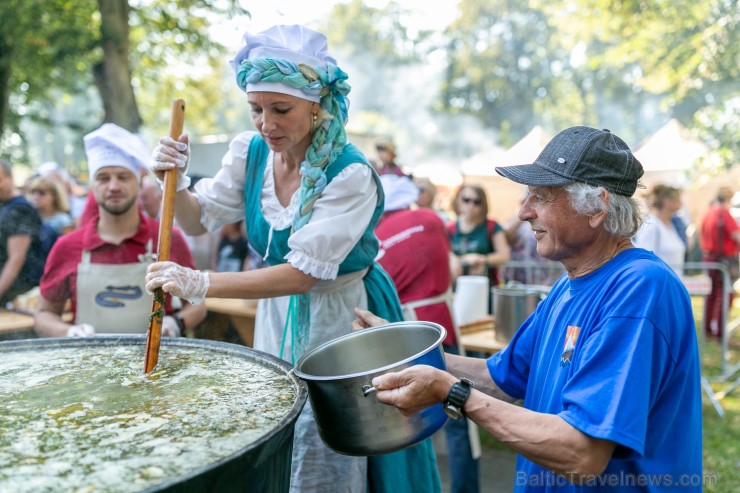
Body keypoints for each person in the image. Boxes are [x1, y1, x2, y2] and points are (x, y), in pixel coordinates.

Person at [145, 24, 440, 493]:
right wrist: (175, 181)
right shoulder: (252, 152)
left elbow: (303, 275)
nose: (266, 123)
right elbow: (197, 219)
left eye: (281, 109)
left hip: (343, 316)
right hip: (276, 312)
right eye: (256, 109)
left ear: (316, 104)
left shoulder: (350, 173)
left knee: (331, 443)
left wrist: (200, 282)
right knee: (281, 424)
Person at [354, 127, 702, 492]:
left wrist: (451, 392)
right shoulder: (568, 285)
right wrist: (403, 348)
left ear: (597, 207)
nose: (523, 212)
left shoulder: (640, 288)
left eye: (541, 196)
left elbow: (582, 454)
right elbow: (501, 378)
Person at [34, 123, 206, 338]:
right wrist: (69, 332)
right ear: (92, 186)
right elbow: (43, 314)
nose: (113, 186)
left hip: (158, 368)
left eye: (123, 177)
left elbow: (198, 304)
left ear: (139, 183)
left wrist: (176, 323)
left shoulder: (167, 239)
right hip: (88, 366)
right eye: (103, 178)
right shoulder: (67, 247)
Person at [375, 174, 479, 493]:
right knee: (459, 406)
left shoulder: (375, 235)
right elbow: (451, 268)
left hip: (403, 332)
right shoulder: (431, 219)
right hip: (442, 322)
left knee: (408, 417)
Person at [0, 159, 43, 306]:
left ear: (10, 178)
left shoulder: (20, 209)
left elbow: (16, 259)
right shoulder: (5, 206)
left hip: (16, 294)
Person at [448, 184, 511, 287]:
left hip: (485, 287)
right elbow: (444, 252)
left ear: (483, 205)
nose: (471, 205)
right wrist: (453, 258)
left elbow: (504, 256)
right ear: (458, 200)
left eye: (477, 202)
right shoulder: (450, 228)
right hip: (457, 288)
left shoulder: (492, 226)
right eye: (466, 200)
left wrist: (482, 259)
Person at [699, 186, 740, 339]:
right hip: (723, 260)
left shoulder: (708, 212)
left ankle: (708, 329)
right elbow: (736, 235)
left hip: (709, 257)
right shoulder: (723, 213)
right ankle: (720, 332)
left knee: (711, 295)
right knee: (726, 295)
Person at [632, 184, 686, 273]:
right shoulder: (651, 226)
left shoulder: (671, 225)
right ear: (667, 201)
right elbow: (644, 263)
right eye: (677, 199)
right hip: (661, 283)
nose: (681, 203)